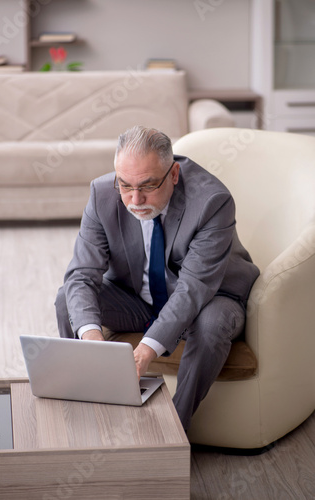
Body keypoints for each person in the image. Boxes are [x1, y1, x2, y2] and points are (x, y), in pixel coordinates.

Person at [55, 125, 259, 431]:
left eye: (148, 186)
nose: (135, 199)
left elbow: (193, 288)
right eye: (125, 185)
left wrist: (145, 352)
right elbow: (81, 275)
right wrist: (91, 340)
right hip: (140, 300)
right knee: (66, 300)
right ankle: (87, 401)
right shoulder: (102, 194)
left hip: (212, 297)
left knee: (212, 324)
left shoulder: (212, 201)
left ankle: (174, 430)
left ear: (173, 174)